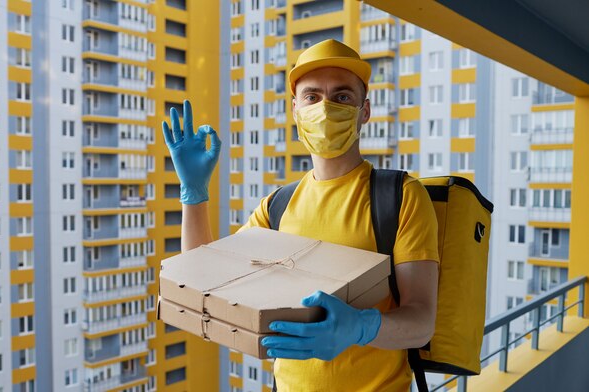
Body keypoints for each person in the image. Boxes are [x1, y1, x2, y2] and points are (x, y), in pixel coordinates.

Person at [162, 39, 439, 391]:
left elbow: (421, 322)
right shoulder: (277, 206)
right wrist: (194, 195)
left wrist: (361, 327)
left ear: (364, 111)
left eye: (342, 97)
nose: (325, 109)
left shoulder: (400, 197)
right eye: (312, 97)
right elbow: (203, 281)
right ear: (295, 110)